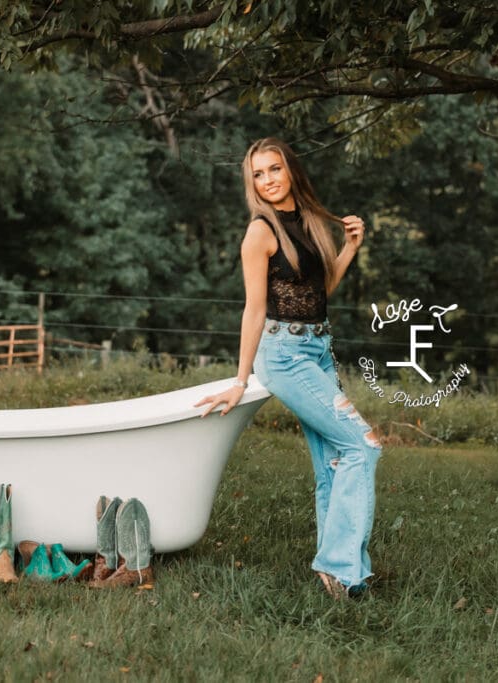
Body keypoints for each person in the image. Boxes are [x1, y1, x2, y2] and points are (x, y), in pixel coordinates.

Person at [195, 137, 382, 600]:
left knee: (334, 462)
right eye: (258, 174)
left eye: (273, 169)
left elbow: (319, 292)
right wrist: (241, 379)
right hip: (283, 355)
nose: (267, 181)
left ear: (290, 169)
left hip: (317, 350)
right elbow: (254, 310)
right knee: (364, 445)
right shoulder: (260, 232)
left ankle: (337, 573)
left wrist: (350, 247)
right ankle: (341, 566)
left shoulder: (313, 222)